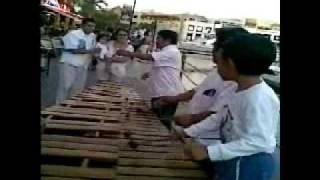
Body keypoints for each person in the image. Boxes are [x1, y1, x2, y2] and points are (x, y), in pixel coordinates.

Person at [182, 33, 279, 180]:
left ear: (231, 64)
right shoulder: (238, 89)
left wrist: (209, 152)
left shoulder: (258, 98)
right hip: (234, 155)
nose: (217, 67)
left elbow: (259, 142)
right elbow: (220, 117)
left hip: (249, 163)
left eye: (219, 63)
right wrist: (189, 132)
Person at [162, 28, 249, 146]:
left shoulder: (233, 81)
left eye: (217, 46)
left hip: (211, 143)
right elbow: (198, 91)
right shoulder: (218, 72)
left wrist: (191, 120)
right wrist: (172, 99)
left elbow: (216, 115)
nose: (213, 49)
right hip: (197, 137)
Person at [116, 30, 184, 129]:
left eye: (159, 38)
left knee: (162, 122)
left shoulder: (171, 51)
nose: (156, 41)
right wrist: (150, 73)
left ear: (168, 40)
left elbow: (147, 56)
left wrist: (127, 53)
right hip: (162, 92)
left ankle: (163, 142)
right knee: (157, 120)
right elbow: (164, 67)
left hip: (167, 93)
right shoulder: (166, 51)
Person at [56, 18, 99, 104]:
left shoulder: (93, 36)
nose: (91, 28)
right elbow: (74, 50)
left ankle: (70, 107)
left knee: (78, 89)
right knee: (65, 87)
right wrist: (92, 51)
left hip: (83, 66)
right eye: (89, 26)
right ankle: (58, 107)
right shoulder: (73, 34)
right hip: (69, 64)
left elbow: (92, 50)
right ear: (82, 25)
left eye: (93, 26)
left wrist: (93, 58)